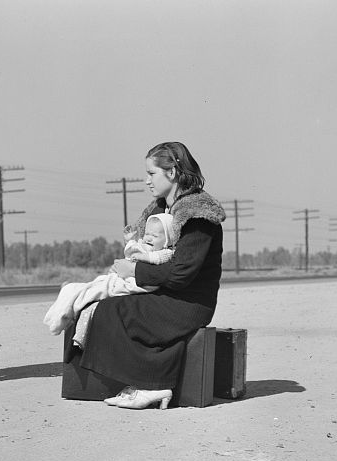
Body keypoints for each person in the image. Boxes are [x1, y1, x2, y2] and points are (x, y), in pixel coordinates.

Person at [66, 141, 226, 410]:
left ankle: (153, 384)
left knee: (111, 311)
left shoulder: (197, 214)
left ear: (172, 173)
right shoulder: (160, 210)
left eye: (152, 174)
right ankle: (147, 381)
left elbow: (182, 273)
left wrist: (135, 271)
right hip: (165, 294)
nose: (147, 181)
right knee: (96, 307)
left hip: (189, 303)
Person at [43, 213, 175, 335]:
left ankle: (63, 315)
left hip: (130, 284)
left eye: (155, 236)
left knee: (92, 292)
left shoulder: (165, 253)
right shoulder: (146, 247)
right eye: (147, 233)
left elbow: (155, 258)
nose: (149, 238)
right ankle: (66, 305)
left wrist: (140, 257)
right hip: (123, 279)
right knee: (87, 287)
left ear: (167, 240)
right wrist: (130, 241)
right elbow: (131, 250)